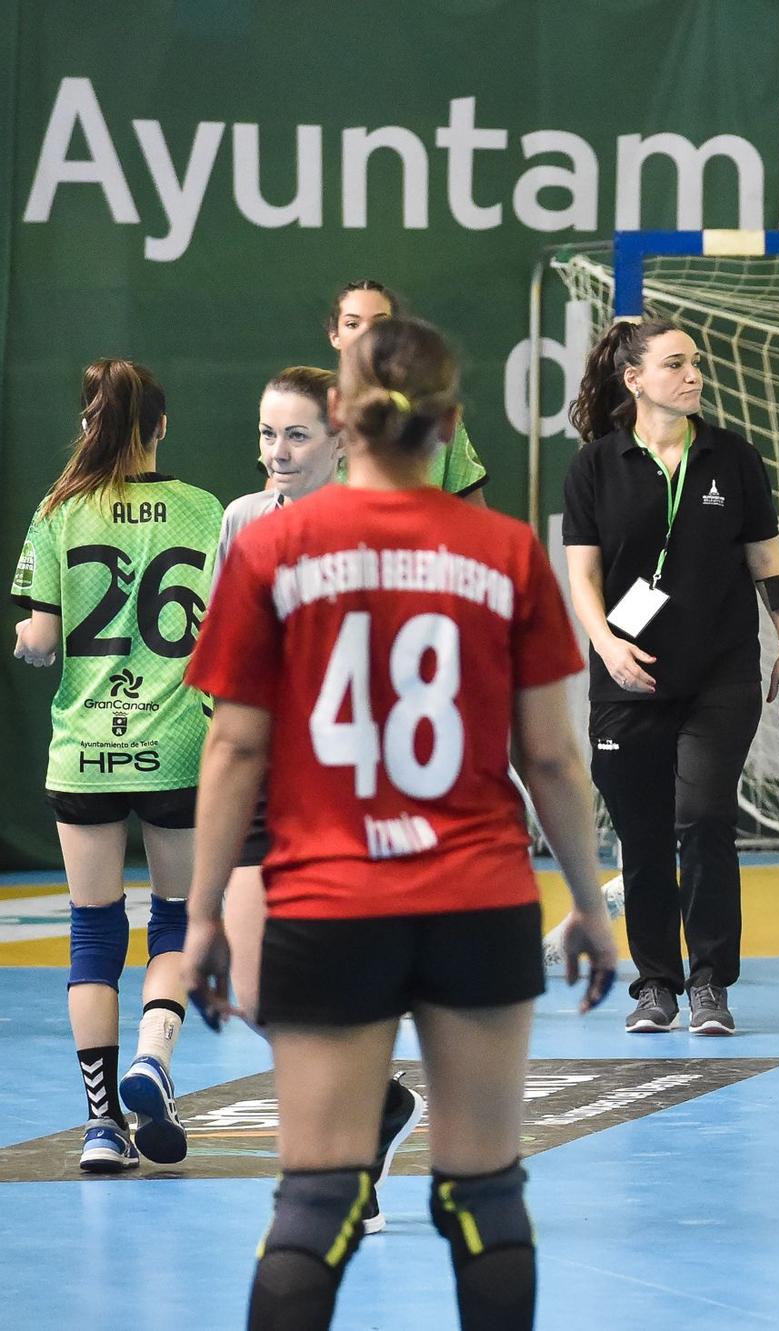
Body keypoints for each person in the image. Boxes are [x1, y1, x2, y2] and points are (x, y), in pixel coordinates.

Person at [182, 317, 619, 1331]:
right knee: (487, 1189)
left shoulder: (275, 546)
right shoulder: (504, 550)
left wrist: (201, 917)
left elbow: (234, 748)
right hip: (478, 896)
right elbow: (549, 755)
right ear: (450, 423)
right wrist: (592, 908)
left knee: (317, 1194)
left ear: (340, 417)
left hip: (328, 901)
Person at [214, 366, 426, 1231]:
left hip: (351, 786)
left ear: (341, 441)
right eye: (267, 434)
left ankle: (351, 1176)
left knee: (340, 986)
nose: (278, 452)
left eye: (296, 435)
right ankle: (377, 1103)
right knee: (257, 989)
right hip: (265, 783)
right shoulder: (240, 521)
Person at [564, 318, 779, 1035]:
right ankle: (656, 986)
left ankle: (709, 982)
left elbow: (770, 561)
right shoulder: (595, 466)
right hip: (627, 676)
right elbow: (582, 575)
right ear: (635, 379)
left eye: (695, 363)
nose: (693, 375)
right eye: (675, 364)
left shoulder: (732, 458)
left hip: (720, 673)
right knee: (640, 833)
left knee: (702, 815)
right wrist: (606, 644)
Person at [11, 359, 219, 1172]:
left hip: (86, 749)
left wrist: (32, 647)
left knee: (93, 930)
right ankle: (153, 1057)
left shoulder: (58, 511)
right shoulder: (203, 509)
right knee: (176, 915)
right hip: (175, 746)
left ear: (92, 423)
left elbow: (37, 639)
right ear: (159, 428)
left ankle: (102, 1126)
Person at [324, 279, 490, 503]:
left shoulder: (433, 413)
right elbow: (275, 502)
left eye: (380, 325)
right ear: (334, 335)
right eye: (353, 324)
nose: (367, 334)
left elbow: (475, 522)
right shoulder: (302, 412)